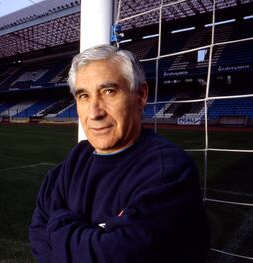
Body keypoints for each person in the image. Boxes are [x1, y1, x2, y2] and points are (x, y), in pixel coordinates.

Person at [29, 44, 210, 263]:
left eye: (109, 91)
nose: (95, 112)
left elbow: (114, 256)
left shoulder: (169, 170)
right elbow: (38, 238)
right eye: (83, 96)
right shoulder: (76, 158)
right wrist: (96, 237)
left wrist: (57, 221)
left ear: (141, 95)